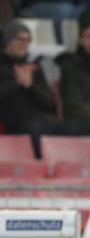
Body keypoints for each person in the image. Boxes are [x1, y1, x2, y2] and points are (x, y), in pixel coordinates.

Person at [0, 20, 64, 154]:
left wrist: (30, 86)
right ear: (7, 40)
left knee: (73, 129)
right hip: (18, 123)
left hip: (45, 122)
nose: (24, 44)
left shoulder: (35, 67)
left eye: (28, 40)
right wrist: (17, 83)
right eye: (20, 39)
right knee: (35, 130)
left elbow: (51, 104)